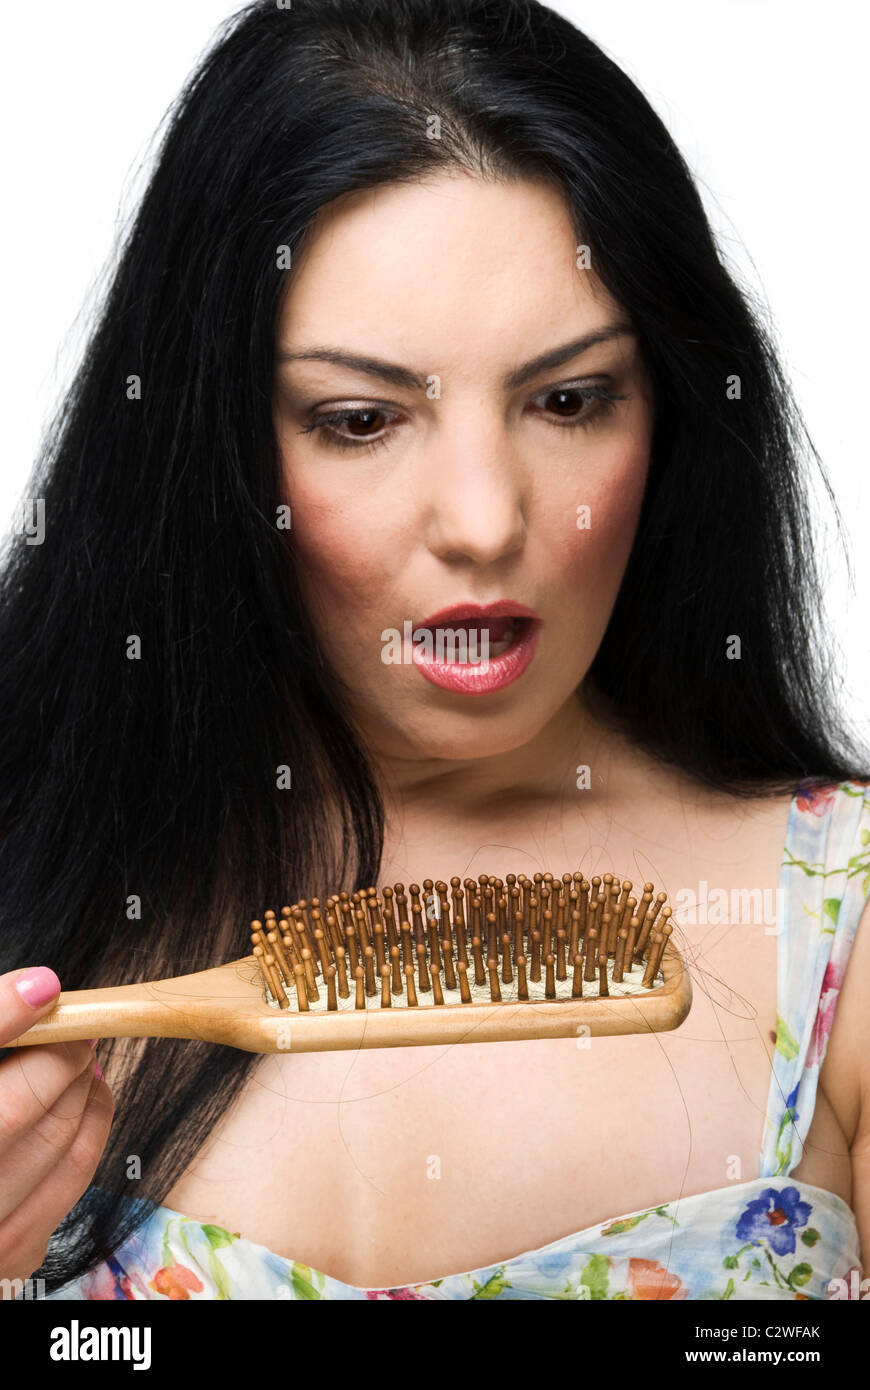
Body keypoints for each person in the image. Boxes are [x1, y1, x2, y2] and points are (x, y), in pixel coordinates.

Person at [1, 0, 867, 1301]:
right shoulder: (38, 877)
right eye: (360, 419)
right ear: (219, 451)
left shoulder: (834, 929)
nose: (483, 518)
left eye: (567, 400)